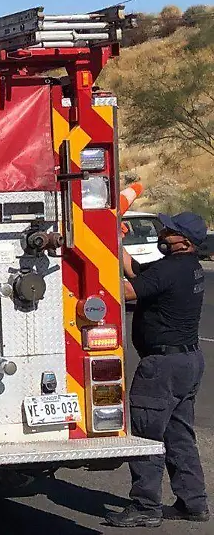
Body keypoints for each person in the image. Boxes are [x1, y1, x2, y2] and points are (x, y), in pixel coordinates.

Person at [106, 212, 209, 527]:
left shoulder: (171, 270)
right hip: (188, 362)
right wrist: (113, 237)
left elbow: (126, 290)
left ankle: (145, 507)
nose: (163, 232)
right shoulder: (188, 268)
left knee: (147, 437)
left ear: (183, 242)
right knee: (179, 436)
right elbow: (137, 273)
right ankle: (193, 503)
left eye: (169, 230)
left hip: (161, 367)